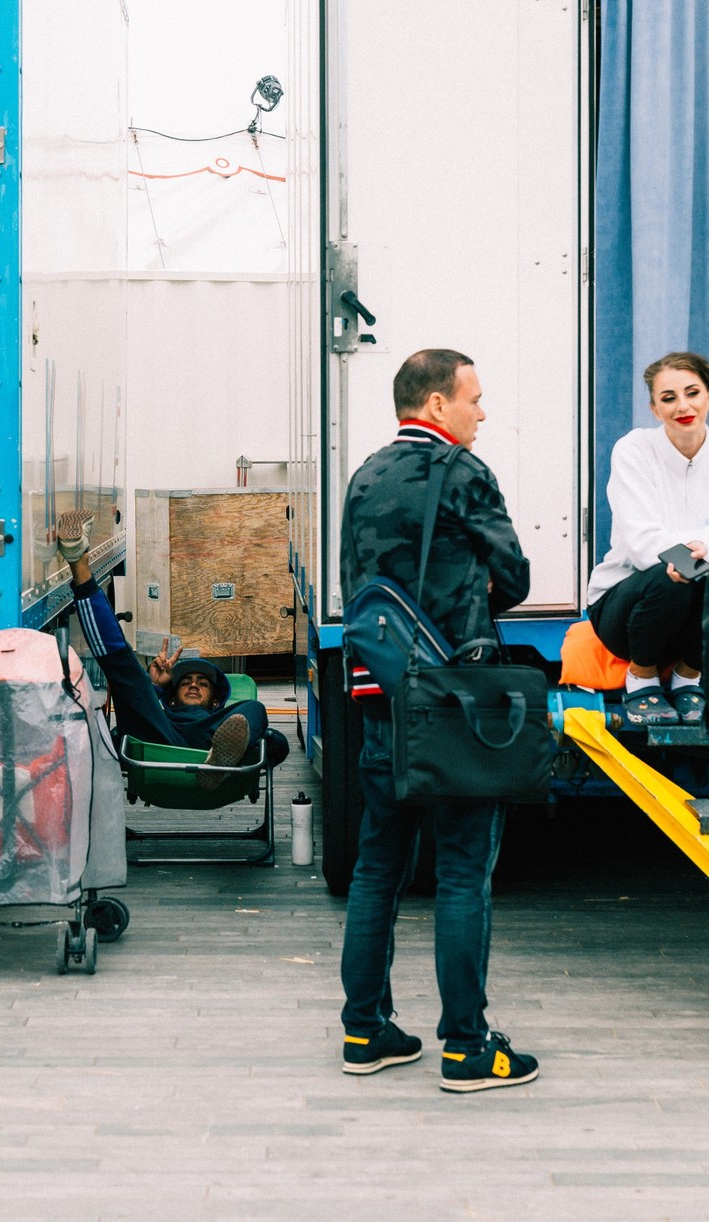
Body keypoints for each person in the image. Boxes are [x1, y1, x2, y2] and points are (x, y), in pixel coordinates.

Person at [338, 348, 539, 1092]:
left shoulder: (363, 474)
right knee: (461, 873)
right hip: (453, 700)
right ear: (433, 405)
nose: (480, 413)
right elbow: (513, 576)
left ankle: (365, 1032)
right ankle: (466, 1047)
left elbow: (358, 589)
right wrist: (479, 580)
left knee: (377, 868)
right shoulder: (462, 472)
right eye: (473, 399)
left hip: (380, 697)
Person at [56, 511, 289, 780]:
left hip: (210, 742)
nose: (192, 684)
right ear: (172, 697)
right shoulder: (162, 710)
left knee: (255, 708)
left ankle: (219, 759)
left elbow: (278, 745)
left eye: (202, 683)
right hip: (159, 736)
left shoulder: (221, 718)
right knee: (126, 669)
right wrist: (154, 686)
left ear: (215, 701)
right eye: (186, 681)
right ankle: (79, 564)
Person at [587, 351, 709, 727]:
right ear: (655, 410)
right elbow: (642, 544)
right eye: (669, 398)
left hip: (694, 616)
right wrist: (700, 550)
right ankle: (641, 677)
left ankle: (689, 676)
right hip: (624, 610)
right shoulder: (634, 449)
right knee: (671, 573)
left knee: (694, 571)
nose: (683, 406)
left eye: (692, 392)